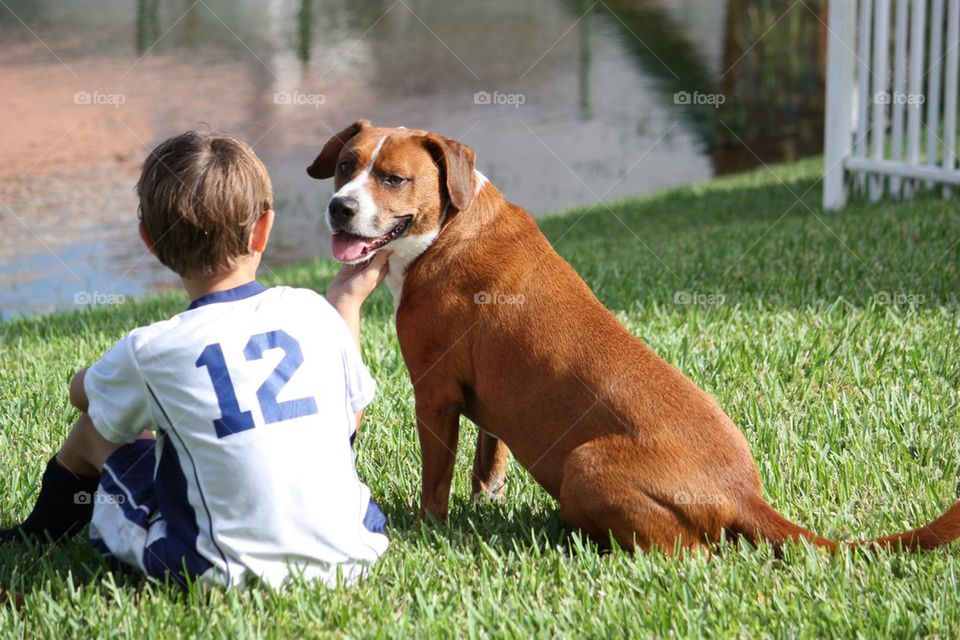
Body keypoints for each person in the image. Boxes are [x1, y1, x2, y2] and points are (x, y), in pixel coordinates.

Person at [0, 130, 392, 588]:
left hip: (215, 568)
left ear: (149, 241)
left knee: (95, 430)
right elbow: (350, 419)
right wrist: (345, 299)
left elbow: (80, 396)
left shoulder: (153, 348)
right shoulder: (313, 311)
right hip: (355, 550)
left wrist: (109, 377)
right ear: (265, 228)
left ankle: (35, 535)